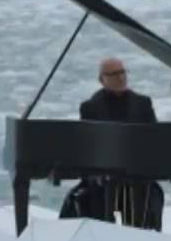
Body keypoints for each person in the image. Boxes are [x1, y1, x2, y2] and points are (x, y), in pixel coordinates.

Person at [59, 57, 164, 231]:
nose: (121, 77)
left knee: (147, 194)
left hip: (136, 175)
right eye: (114, 74)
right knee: (95, 195)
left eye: (123, 72)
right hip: (103, 177)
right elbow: (87, 145)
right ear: (102, 79)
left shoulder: (142, 103)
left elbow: (154, 138)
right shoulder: (90, 107)